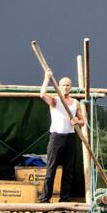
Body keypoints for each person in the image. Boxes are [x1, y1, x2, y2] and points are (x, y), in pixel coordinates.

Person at [37, 70, 84, 203]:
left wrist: (76, 121)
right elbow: (41, 95)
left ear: (71, 87)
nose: (65, 87)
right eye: (63, 85)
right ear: (58, 86)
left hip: (70, 137)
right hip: (56, 137)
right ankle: (45, 199)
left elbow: (83, 122)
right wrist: (47, 78)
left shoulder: (75, 102)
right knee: (51, 169)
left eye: (68, 85)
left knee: (68, 170)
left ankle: (64, 199)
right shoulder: (55, 100)